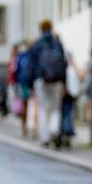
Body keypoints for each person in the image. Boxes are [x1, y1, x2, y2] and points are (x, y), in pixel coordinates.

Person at [24, 20, 68, 148]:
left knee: (42, 108)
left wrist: (30, 84)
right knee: (55, 108)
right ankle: (54, 129)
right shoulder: (57, 42)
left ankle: (45, 138)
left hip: (40, 79)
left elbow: (30, 65)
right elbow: (64, 63)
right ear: (51, 28)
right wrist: (64, 82)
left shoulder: (37, 44)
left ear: (40, 29)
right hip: (57, 80)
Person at [12, 40, 36, 138]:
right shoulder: (35, 56)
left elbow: (15, 71)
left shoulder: (21, 56)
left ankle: (24, 127)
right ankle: (34, 128)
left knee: (25, 105)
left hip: (23, 83)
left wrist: (15, 83)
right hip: (34, 83)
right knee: (35, 106)